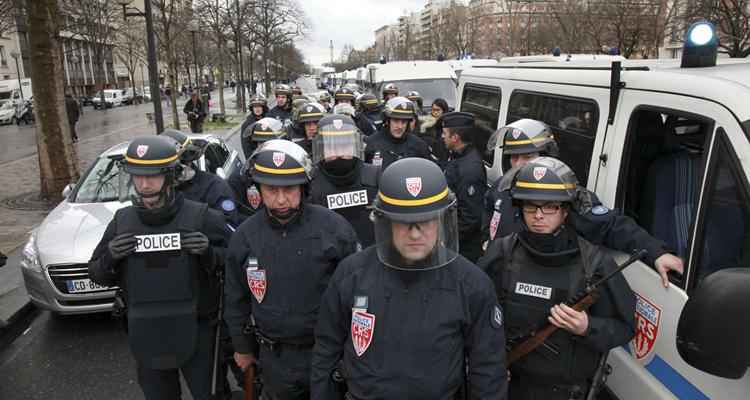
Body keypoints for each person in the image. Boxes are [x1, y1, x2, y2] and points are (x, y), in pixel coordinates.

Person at [311, 157, 507, 400]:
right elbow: (326, 350)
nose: (415, 234)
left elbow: (487, 371)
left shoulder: (472, 285)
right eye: (404, 223)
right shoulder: (352, 274)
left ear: (442, 220)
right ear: (386, 222)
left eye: (425, 221)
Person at [478, 157, 636, 400]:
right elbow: (475, 318)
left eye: (549, 206)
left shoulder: (594, 263)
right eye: (531, 206)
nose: (538, 215)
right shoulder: (501, 253)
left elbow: (625, 328)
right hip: (507, 385)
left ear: (564, 212)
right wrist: (487, 368)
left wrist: (588, 327)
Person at [88, 135, 231, 400]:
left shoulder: (201, 217)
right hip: (147, 332)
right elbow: (96, 273)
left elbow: (237, 261)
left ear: (170, 175)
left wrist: (210, 253)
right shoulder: (123, 221)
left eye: (152, 176)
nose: (144, 184)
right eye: (137, 176)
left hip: (198, 330)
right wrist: (110, 257)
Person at [224, 140, 360, 400]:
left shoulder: (334, 229)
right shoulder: (244, 237)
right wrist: (241, 348)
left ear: (304, 187)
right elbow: (235, 299)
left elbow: (357, 295)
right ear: (259, 190)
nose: (281, 199)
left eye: (289, 189)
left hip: (328, 354)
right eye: (271, 190)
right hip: (275, 359)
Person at [483, 119, 684, 287]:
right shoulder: (502, 186)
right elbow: (489, 213)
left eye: (527, 157)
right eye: (514, 157)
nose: (518, 164)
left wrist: (655, 252)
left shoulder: (566, 195)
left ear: (546, 157)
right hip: (501, 282)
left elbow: (611, 225)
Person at [309, 115, 379, 247]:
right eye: (332, 147)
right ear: (321, 148)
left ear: (355, 146)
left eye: (344, 146)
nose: (339, 153)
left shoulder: (375, 177)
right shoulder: (311, 184)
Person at [161, 129, 239, 228]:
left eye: (175, 166)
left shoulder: (214, 187)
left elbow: (228, 227)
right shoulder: (153, 191)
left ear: (188, 161)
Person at [441, 112, 486, 263]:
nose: (442, 136)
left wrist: (445, 238)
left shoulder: (470, 169)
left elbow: (470, 217)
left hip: (462, 248)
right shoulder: (457, 155)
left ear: (455, 138)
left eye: (445, 133)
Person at [363, 96, 431, 171]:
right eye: (396, 121)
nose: (400, 126)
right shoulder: (371, 144)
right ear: (387, 121)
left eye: (404, 122)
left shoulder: (419, 146)